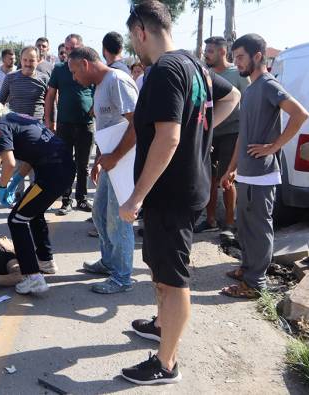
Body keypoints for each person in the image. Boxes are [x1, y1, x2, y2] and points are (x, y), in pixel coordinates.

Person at [119, 0, 240, 385]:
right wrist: (199, 133)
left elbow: (168, 138)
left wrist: (136, 197)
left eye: (132, 38)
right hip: (182, 189)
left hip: (170, 194)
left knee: (173, 281)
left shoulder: (165, 70)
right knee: (160, 265)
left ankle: (166, 364)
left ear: (141, 31)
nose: (134, 46)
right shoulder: (194, 63)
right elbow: (231, 97)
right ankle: (160, 325)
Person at [219, 34, 308, 298]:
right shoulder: (250, 89)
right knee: (245, 228)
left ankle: (254, 284)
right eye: (234, 58)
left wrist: (274, 147)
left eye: (241, 57)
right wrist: (231, 168)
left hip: (263, 175)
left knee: (258, 229)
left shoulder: (269, 85)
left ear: (258, 56)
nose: (237, 63)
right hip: (246, 174)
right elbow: (242, 137)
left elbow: (300, 113)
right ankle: (247, 269)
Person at [0, 98, 75, 293]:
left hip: (51, 173)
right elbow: (30, 156)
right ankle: (45, 261)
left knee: (16, 220)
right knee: (33, 213)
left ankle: (33, 277)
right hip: (62, 168)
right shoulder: (15, 117)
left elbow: (8, 162)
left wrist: (2, 187)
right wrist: (16, 181)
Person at [68, 46, 138, 294]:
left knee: (119, 221)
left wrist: (116, 156)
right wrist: (100, 160)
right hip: (112, 161)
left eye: (75, 72)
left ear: (86, 64)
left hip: (125, 162)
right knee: (99, 214)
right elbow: (109, 128)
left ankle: (122, 277)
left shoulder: (116, 81)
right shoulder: (100, 86)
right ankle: (109, 263)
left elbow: (137, 123)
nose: (75, 78)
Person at [193, 36, 251, 234]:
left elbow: (249, 104)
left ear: (222, 52)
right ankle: (210, 220)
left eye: (210, 51)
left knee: (227, 180)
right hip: (208, 133)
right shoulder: (203, 73)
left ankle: (229, 224)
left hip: (232, 134)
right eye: (206, 50)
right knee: (208, 178)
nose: (206, 54)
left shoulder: (239, 74)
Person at [44, 33, 95, 215]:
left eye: (72, 48)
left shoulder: (88, 67)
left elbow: (98, 89)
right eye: (66, 48)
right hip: (64, 124)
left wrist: (95, 105)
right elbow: (50, 95)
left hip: (86, 124)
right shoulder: (58, 69)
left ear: (81, 48)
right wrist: (49, 120)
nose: (69, 51)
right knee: (65, 163)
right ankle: (66, 200)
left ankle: (81, 198)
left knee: (83, 165)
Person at [0, 46, 50, 120]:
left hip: (36, 127)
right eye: (25, 60)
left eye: (31, 60)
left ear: (38, 60)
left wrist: (52, 122)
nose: (28, 64)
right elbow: (0, 101)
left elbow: (51, 104)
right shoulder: (10, 77)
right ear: (20, 60)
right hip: (14, 125)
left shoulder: (45, 79)